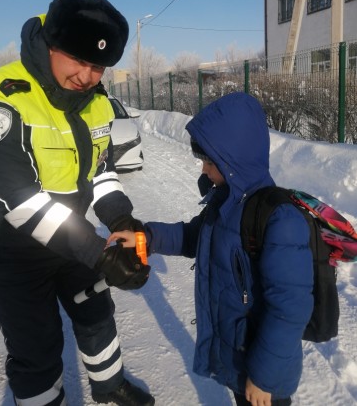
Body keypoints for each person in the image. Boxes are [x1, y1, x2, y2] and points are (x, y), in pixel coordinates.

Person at [0, 0, 154, 406]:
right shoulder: (4, 96)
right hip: (15, 251)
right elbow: (20, 200)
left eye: (98, 66)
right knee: (36, 349)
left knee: (97, 314)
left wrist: (120, 222)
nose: (88, 76)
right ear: (51, 45)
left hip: (73, 240)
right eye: (79, 60)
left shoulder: (97, 105)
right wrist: (99, 253)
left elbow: (99, 172)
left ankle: (109, 385)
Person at [109, 92, 314, 406]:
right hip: (236, 353)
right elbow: (194, 237)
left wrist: (264, 377)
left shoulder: (279, 219)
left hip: (263, 370)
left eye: (209, 162)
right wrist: (146, 237)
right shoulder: (225, 202)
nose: (203, 170)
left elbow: (290, 309)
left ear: (234, 160)